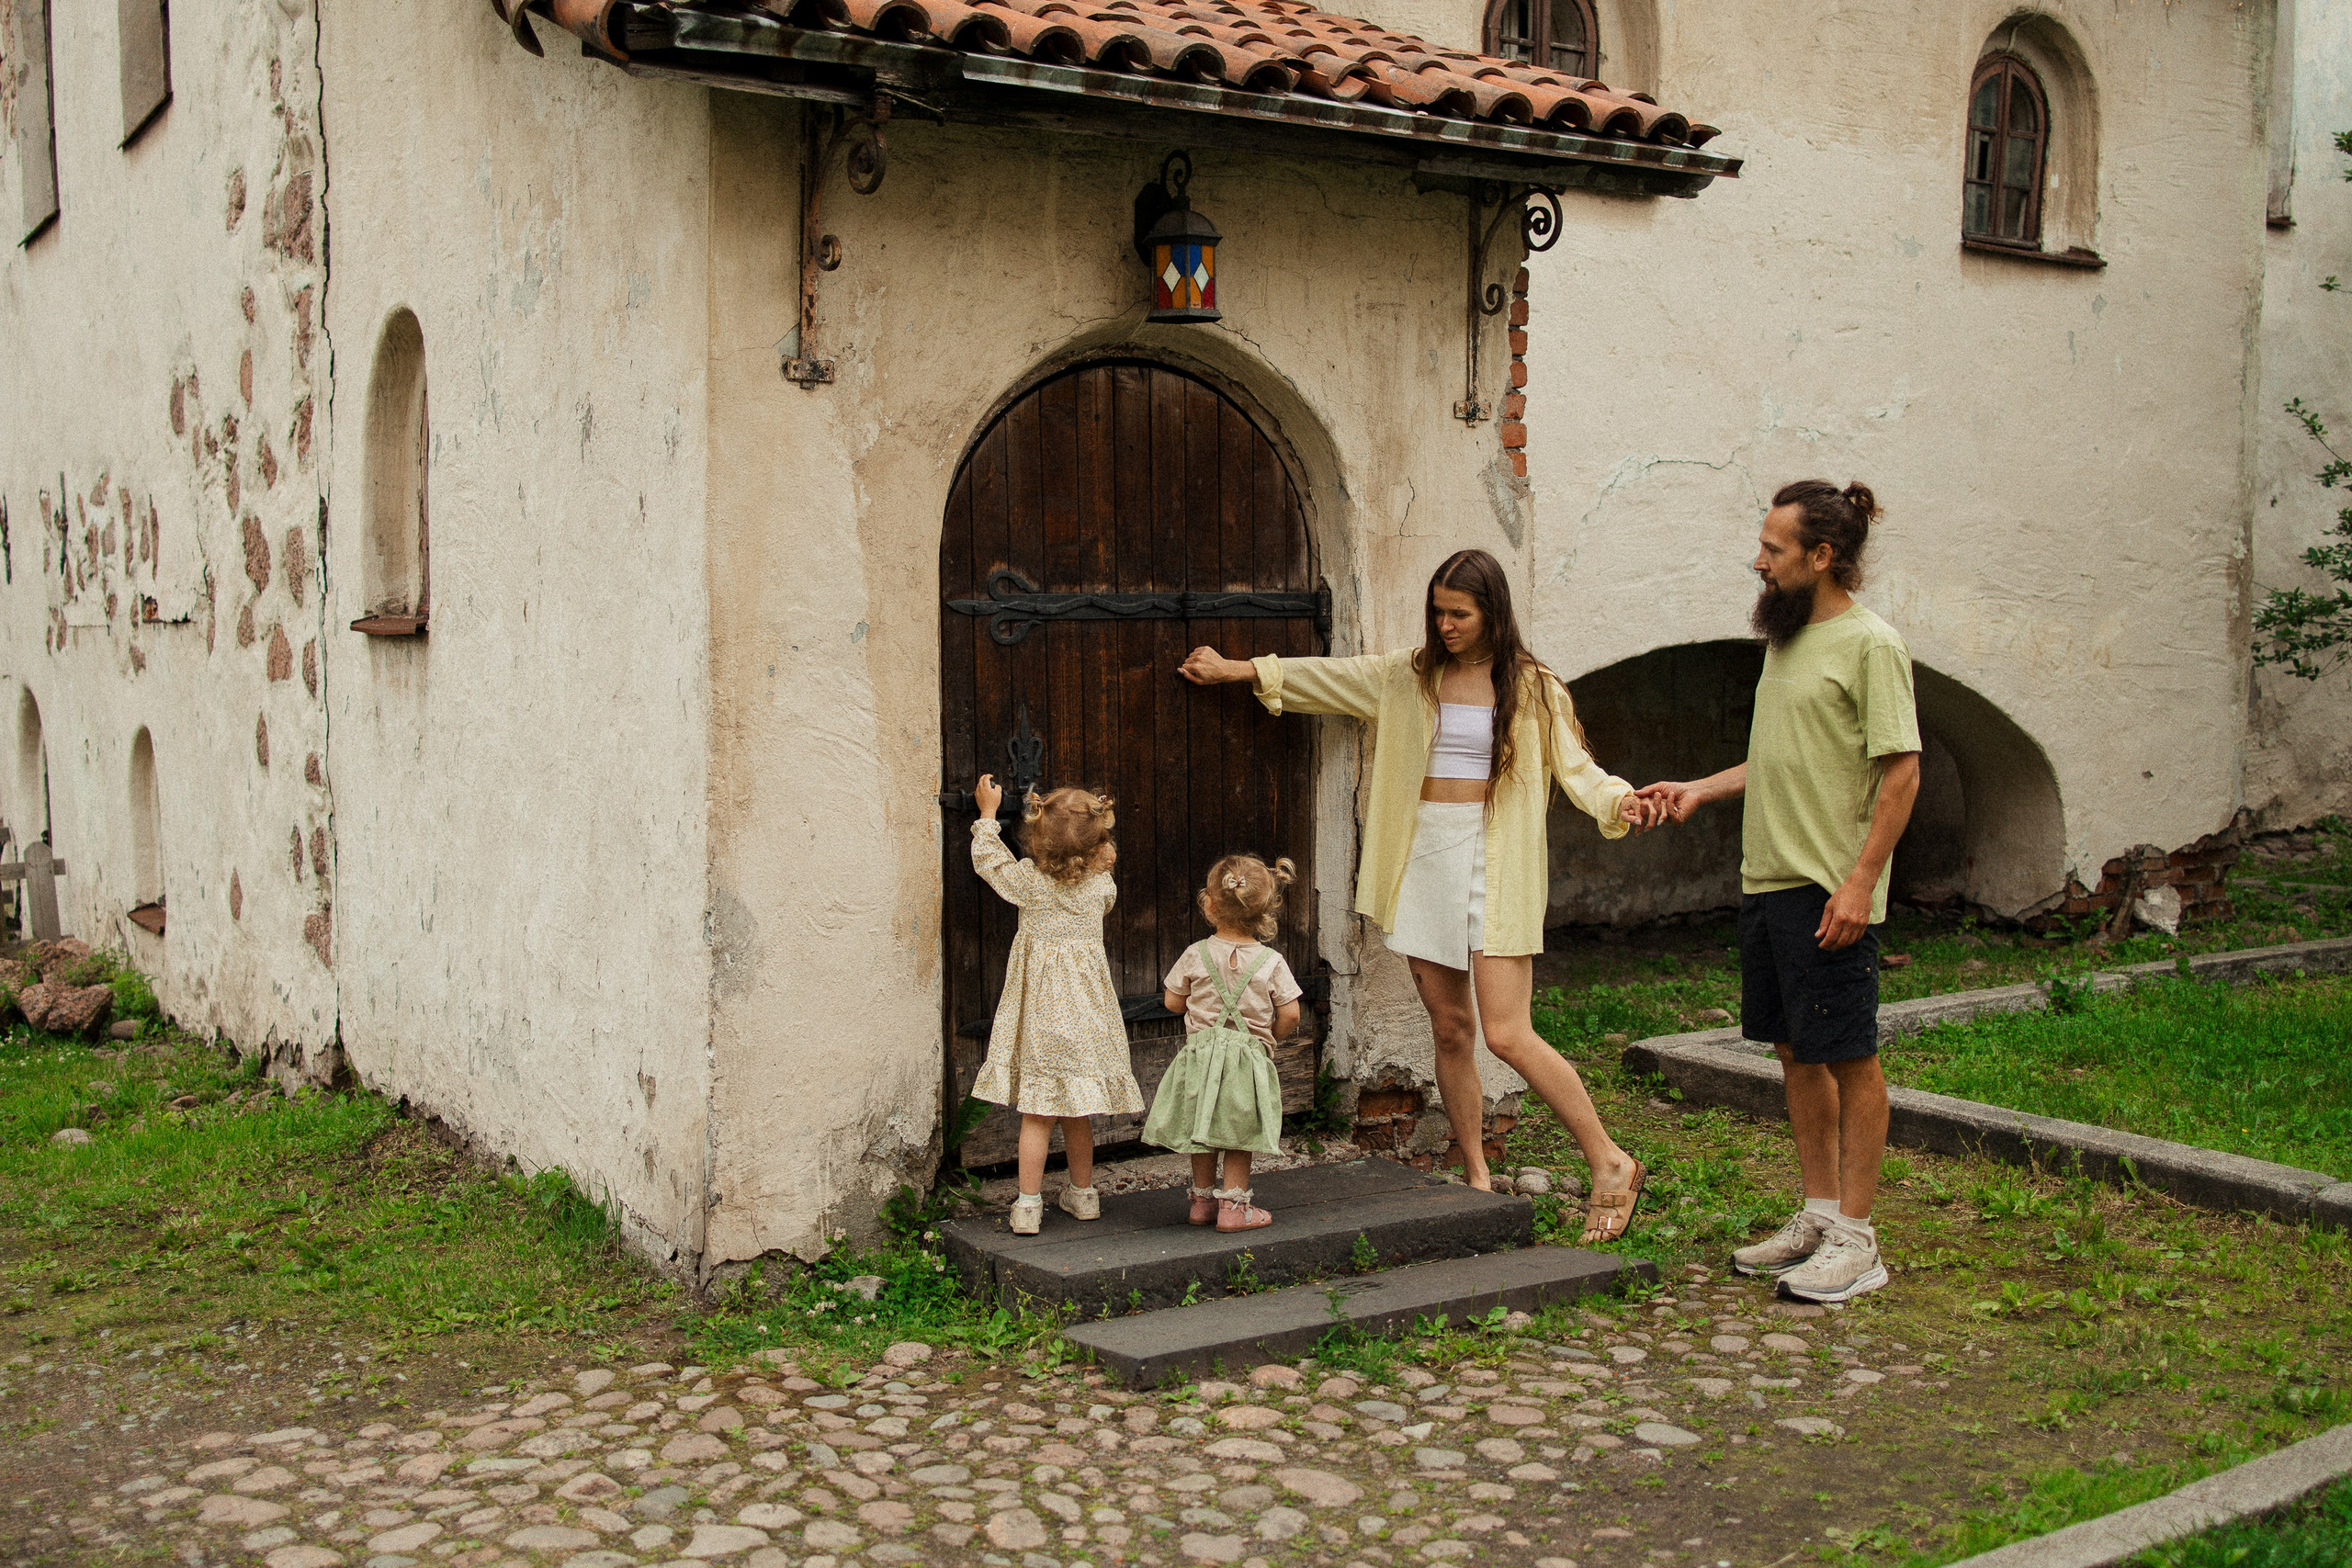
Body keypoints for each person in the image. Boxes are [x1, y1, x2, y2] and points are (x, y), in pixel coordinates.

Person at [1181, 548, 1666, 1244]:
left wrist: (1622, 802)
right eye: (1438, 612)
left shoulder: (1534, 686)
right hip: (1424, 857)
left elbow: (1578, 768)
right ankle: (1475, 1174)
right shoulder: (1407, 675)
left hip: (1495, 859)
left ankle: (1611, 1161)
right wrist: (1237, 669)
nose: (1445, 625)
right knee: (1450, 1028)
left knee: (1507, 1032)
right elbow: (1329, 677)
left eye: (1459, 613)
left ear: (1492, 613)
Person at [1638, 480, 1921, 1303]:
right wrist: (1701, 788)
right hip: (1768, 880)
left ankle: (1858, 1240)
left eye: (1773, 548)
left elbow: (1901, 771)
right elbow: (1781, 757)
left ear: (1821, 555)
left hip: (1829, 886)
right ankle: (1819, 1213)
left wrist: (1860, 882)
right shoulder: (1788, 640)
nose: (1758, 560)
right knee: (1796, 1052)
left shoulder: (1872, 645)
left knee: (1851, 1056)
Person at [967, 774, 1144, 1236]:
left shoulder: (1029, 882)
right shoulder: (1101, 887)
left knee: (1038, 1113)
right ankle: (1084, 1196)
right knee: (1077, 1111)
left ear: (1037, 836)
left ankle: (1028, 1206)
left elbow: (991, 863)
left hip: (1040, 1020)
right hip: (1086, 1019)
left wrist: (988, 815)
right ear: (1099, 840)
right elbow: (1099, 880)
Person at [1147, 853, 1305, 1234]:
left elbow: (1172, 1001)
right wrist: (1269, 1037)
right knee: (1238, 1130)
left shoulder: (1195, 953)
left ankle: (1202, 1201)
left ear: (1210, 905)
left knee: (1202, 1125)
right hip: (1246, 1060)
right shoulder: (1271, 961)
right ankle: (1233, 1207)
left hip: (1201, 1055)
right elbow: (1292, 1014)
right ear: (1266, 909)